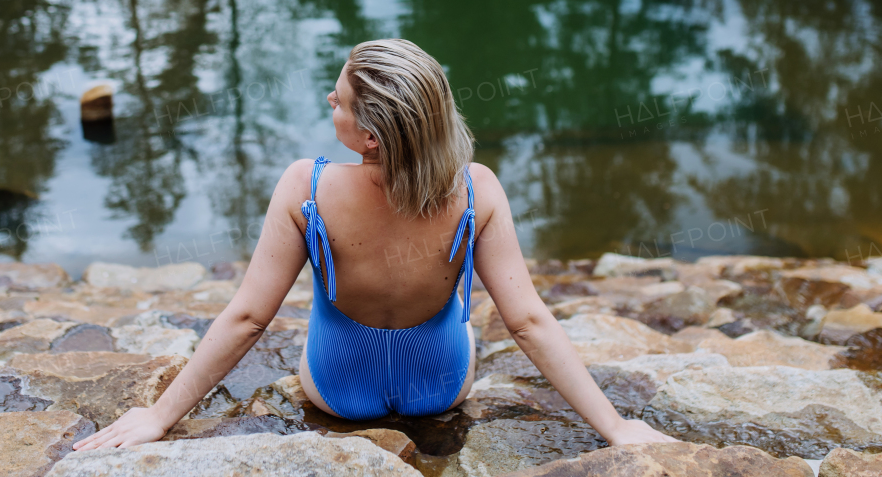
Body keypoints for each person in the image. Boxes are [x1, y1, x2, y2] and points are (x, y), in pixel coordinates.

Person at [74, 39, 678, 450]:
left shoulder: (304, 186)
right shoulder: (476, 189)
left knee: (321, 308)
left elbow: (251, 316)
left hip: (338, 390)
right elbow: (526, 321)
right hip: (438, 389)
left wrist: (159, 416)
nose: (328, 100)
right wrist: (618, 427)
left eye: (338, 98)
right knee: (465, 321)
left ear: (367, 137)